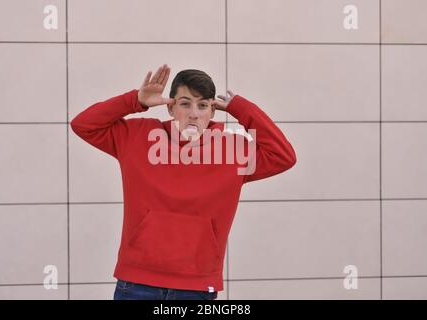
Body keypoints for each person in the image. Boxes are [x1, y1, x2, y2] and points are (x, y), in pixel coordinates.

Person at [70, 64, 297, 300]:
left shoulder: (232, 151)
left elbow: (283, 156)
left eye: (203, 105)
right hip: (137, 282)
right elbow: (84, 125)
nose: (194, 113)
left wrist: (242, 109)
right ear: (170, 108)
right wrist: (135, 101)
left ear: (213, 111)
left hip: (197, 287)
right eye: (185, 103)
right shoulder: (137, 137)